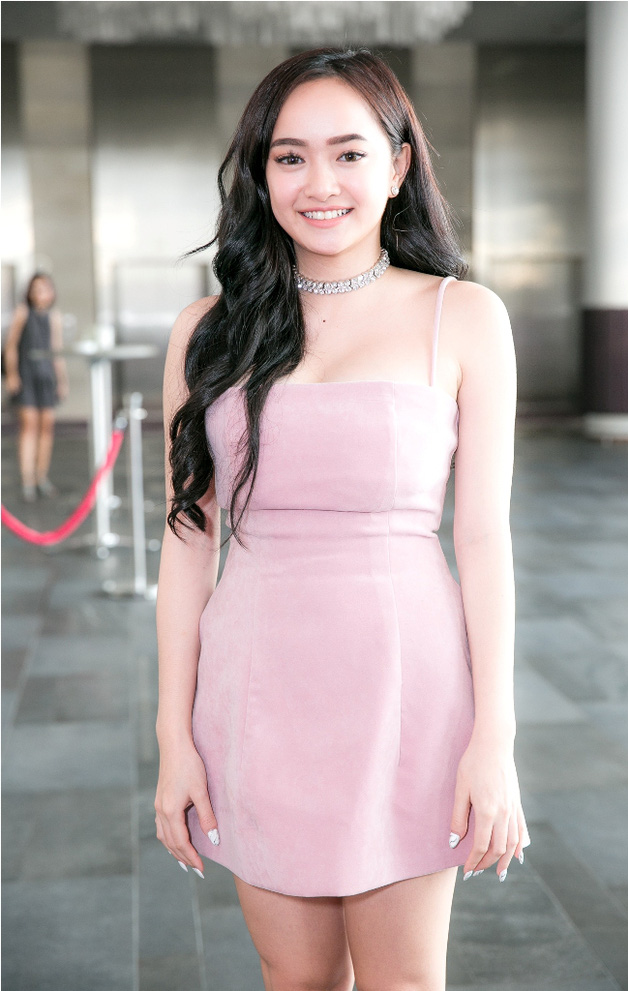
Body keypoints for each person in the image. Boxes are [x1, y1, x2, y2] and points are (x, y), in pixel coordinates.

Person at [155, 47, 531, 991]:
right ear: (261, 172)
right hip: (255, 688)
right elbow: (188, 543)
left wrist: (494, 738)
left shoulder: (464, 316)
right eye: (289, 156)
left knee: (403, 981)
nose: (318, 183)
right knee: (296, 978)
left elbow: (484, 541)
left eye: (349, 154)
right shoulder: (208, 332)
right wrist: (173, 736)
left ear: (398, 166)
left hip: (407, 688)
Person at [4, 272, 68, 502]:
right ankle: (27, 479)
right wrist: (12, 374)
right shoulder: (22, 313)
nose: (41, 293)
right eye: (36, 289)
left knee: (46, 427)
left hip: (46, 377)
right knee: (29, 426)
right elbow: (11, 346)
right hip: (27, 376)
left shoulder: (54, 316)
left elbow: (56, 350)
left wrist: (61, 380)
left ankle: (42, 476)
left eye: (45, 288)